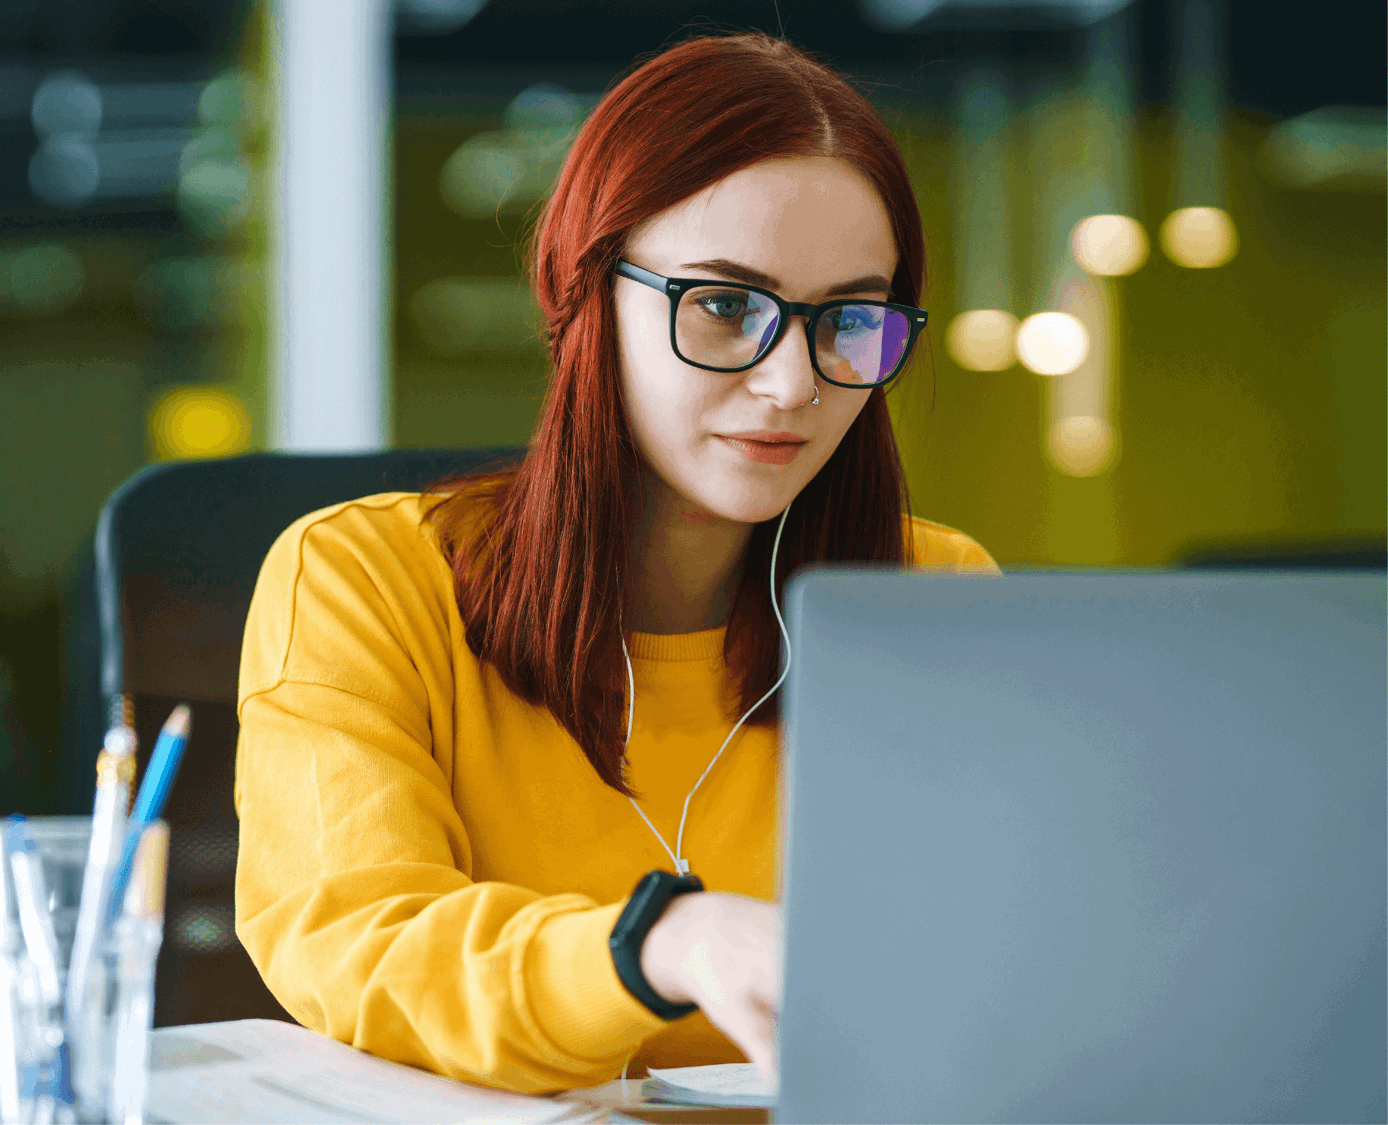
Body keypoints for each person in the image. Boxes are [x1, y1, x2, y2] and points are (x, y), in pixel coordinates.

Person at [234, 32, 999, 1095]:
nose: (792, 384)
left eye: (849, 319)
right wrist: (661, 944)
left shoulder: (932, 597)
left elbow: (1001, 954)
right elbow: (365, 941)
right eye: (727, 306)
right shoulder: (361, 578)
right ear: (588, 296)